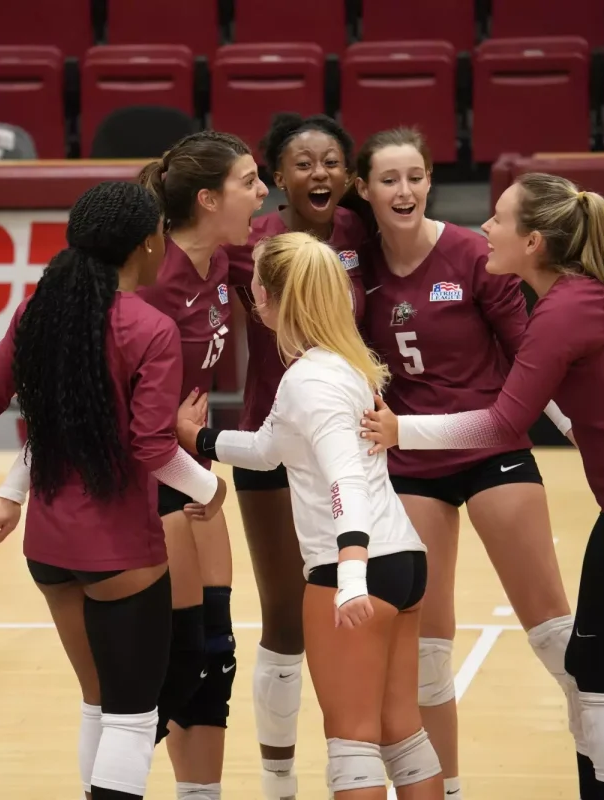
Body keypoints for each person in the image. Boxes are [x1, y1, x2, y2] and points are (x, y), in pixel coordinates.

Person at [361, 172, 604, 800]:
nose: (485, 228)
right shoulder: (580, 299)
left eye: (499, 219)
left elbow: (505, 421)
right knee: (594, 673)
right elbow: (562, 392)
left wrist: (404, 431)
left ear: (533, 242)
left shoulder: (564, 310)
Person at [0, 181, 228, 800]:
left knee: (97, 702)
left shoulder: (36, 312)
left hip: (47, 550)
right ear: (145, 244)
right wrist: (209, 488)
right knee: (131, 717)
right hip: (119, 551)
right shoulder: (150, 327)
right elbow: (151, 447)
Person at [350, 127, 584, 800]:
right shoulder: (354, 268)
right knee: (425, 653)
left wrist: (581, 432)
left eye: (416, 176)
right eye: (389, 179)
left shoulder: (471, 254)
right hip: (412, 463)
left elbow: (533, 353)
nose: (405, 191)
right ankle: (444, 791)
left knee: (553, 635)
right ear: (364, 190)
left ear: (429, 181)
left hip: (490, 448)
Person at [175, 231, 443, 800]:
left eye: (254, 294)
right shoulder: (342, 366)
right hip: (404, 560)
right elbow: (270, 449)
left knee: (352, 744)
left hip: (355, 566)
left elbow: (343, 474)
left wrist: (349, 573)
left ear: (274, 299)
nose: (251, 303)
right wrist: (198, 438)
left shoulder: (309, 381)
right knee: (402, 732)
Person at [221, 112, 370, 800]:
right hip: (268, 444)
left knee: (356, 609)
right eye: (303, 163)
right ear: (277, 177)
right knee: (286, 618)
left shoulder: (362, 234)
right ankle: (278, 780)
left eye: (332, 161)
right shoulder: (249, 244)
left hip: (350, 445)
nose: (320, 173)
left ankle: (363, 762)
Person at [137, 130, 269, 800]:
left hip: (197, 476)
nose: (263, 191)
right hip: (145, 483)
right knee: (170, 665)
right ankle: (109, 783)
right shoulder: (146, 276)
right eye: (250, 181)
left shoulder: (226, 258)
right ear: (208, 198)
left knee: (214, 658)